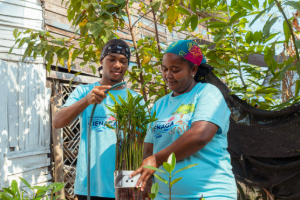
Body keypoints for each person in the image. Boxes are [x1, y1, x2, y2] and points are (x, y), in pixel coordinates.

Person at [130, 40, 237, 200]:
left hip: (209, 194)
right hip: (164, 196)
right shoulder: (160, 104)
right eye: (164, 69)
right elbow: (149, 149)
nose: (168, 75)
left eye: (175, 70)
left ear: (193, 69)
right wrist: (147, 182)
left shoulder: (207, 93)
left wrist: (156, 160)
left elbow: (200, 136)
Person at [52, 39, 139, 200]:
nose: (117, 65)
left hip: (124, 183)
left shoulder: (135, 99)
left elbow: (143, 143)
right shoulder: (83, 91)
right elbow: (58, 122)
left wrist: (138, 184)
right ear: (101, 61)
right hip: (89, 185)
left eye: (123, 61)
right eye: (111, 59)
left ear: (128, 65)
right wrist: (86, 100)